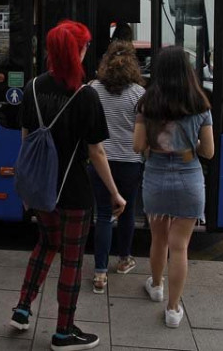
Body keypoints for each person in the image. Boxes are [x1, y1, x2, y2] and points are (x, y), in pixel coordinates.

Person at [11, 20, 126, 351]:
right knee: (72, 260)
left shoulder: (32, 87)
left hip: (41, 188)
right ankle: (63, 332)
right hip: (73, 191)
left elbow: (26, 139)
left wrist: (25, 185)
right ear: (76, 52)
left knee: (46, 245)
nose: (87, 50)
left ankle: (22, 308)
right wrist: (115, 192)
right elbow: (96, 150)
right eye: (85, 46)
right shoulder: (85, 95)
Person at [133, 45, 214, 328]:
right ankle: (173, 309)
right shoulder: (200, 104)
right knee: (180, 247)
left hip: (155, 177)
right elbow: (209, 152)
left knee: (159, 239)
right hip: (189, 178)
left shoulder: (147, 105)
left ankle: (156, 287)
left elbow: (137, 146)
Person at [88, 40, 146, 294]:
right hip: (130, 163)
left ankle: (100, 272)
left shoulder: (93, 89)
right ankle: (124, 259)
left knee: (102, 214)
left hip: (100, 161)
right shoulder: (138, 94)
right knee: (128, 211)